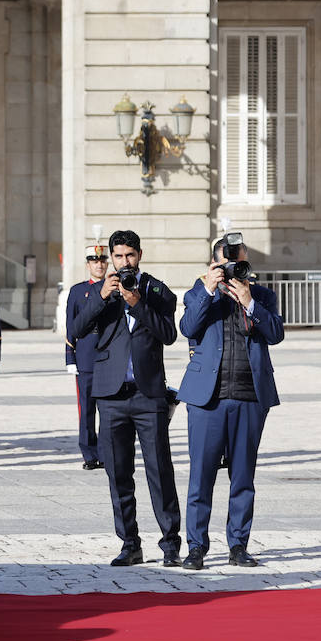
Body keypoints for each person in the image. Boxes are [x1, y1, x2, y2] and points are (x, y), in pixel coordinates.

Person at [73, 229, 181, 568]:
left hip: (148, 394)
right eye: (118, 256)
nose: (124, 262)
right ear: (110, 258)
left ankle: (170, 544)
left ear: (140, 254)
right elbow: (77, 329)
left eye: (129, 255)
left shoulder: (156, 290)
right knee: (118, 472)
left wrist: (139, 305)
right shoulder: (99, 290)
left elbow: (168, 334)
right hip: (110, 394)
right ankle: (129, 543)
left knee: (159, 470)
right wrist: (103, 296)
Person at [177, 233, 284, 570]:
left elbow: (276, 334)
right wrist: (210, 289)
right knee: (201, 477)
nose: (237, 267)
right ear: (216, 263)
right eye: (229, 261)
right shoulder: (199, 292)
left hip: (250, 396)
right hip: (208, 400)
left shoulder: (262, 295)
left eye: (241, 260)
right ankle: (196, 547)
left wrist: (250, 300)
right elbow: (188, 326)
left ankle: (239, 544)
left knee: (242, 477)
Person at [65, 243, 109, 469]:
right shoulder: (77, 291)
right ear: (88, 265)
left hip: (108, 353)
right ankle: (89, 454)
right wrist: (70, 358)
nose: (98, 265)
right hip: (85, 355)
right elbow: (70, 327)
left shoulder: (114, 287)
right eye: (94, 261)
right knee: (87, 409)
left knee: (108, 410)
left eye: (102, 261)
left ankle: (105, 452)